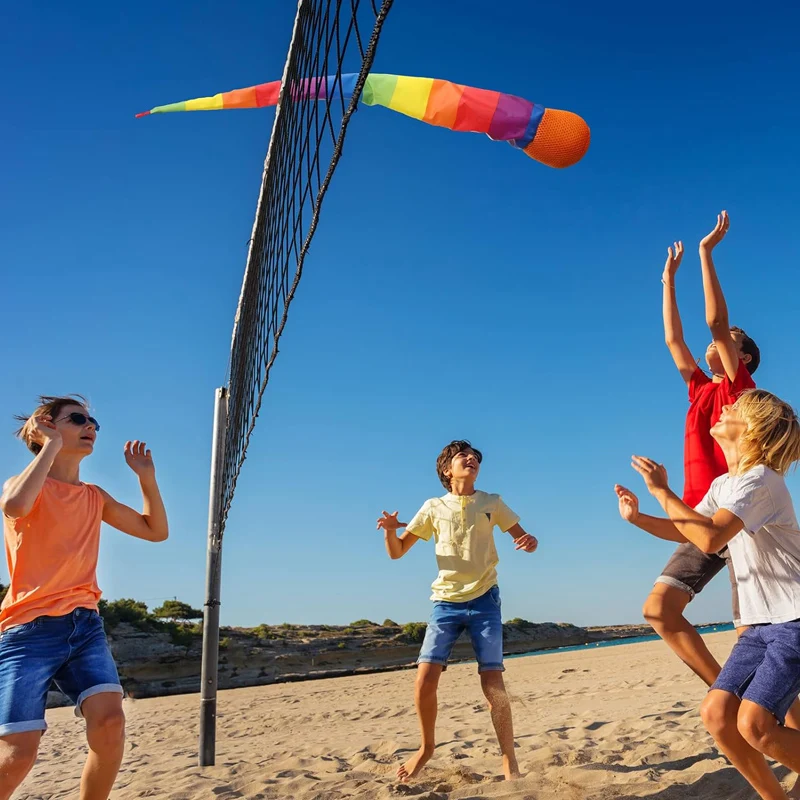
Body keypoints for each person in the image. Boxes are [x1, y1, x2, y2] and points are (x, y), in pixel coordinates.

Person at [617, 388, 800, 800]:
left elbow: (712, 534)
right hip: (759, 625)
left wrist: (662, 491)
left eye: (733, 408)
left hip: (793, 619)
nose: (724, 409)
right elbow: (692, 533)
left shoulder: (762, 482)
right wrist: (639, 518)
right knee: (717, 715)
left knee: (755, 725)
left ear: (752, 430)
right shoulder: (726, 484)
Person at [0, 395, 169, 800]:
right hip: (28, 631)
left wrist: (146, 476)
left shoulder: (94, 496)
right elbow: (15, 505)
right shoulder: (24, 485)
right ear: (47, 426)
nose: (90, 426)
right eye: (77, 419)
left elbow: (154, 531)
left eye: (93, 421)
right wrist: (51, 447)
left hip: (85, 624)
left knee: (110, 723)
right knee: (18, 754)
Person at [376, 440, 538, 783]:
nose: (471, 459)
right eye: (462, 456)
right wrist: (391, 532)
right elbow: (397, 552)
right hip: (445, 603)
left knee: (493, 682)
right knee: (424, 680)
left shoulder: (491, 502)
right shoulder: (433, 507)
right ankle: (426, 748)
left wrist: (529, 542)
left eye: (475, 457)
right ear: (447, 470)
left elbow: (524, 536)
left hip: (485, 601)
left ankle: (509, 759)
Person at [645, 211, 760, 685]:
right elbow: (674, 338)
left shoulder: (740, 388)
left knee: (751, 634)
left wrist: (705, 254)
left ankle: (780, 723)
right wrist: (668, 280)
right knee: (659, 610)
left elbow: (716, 322)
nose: (717, 344)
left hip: (736, 517)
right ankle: (725, 691)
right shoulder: (699, 389)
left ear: (744, 357)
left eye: (730, 343)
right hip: (699, 518)